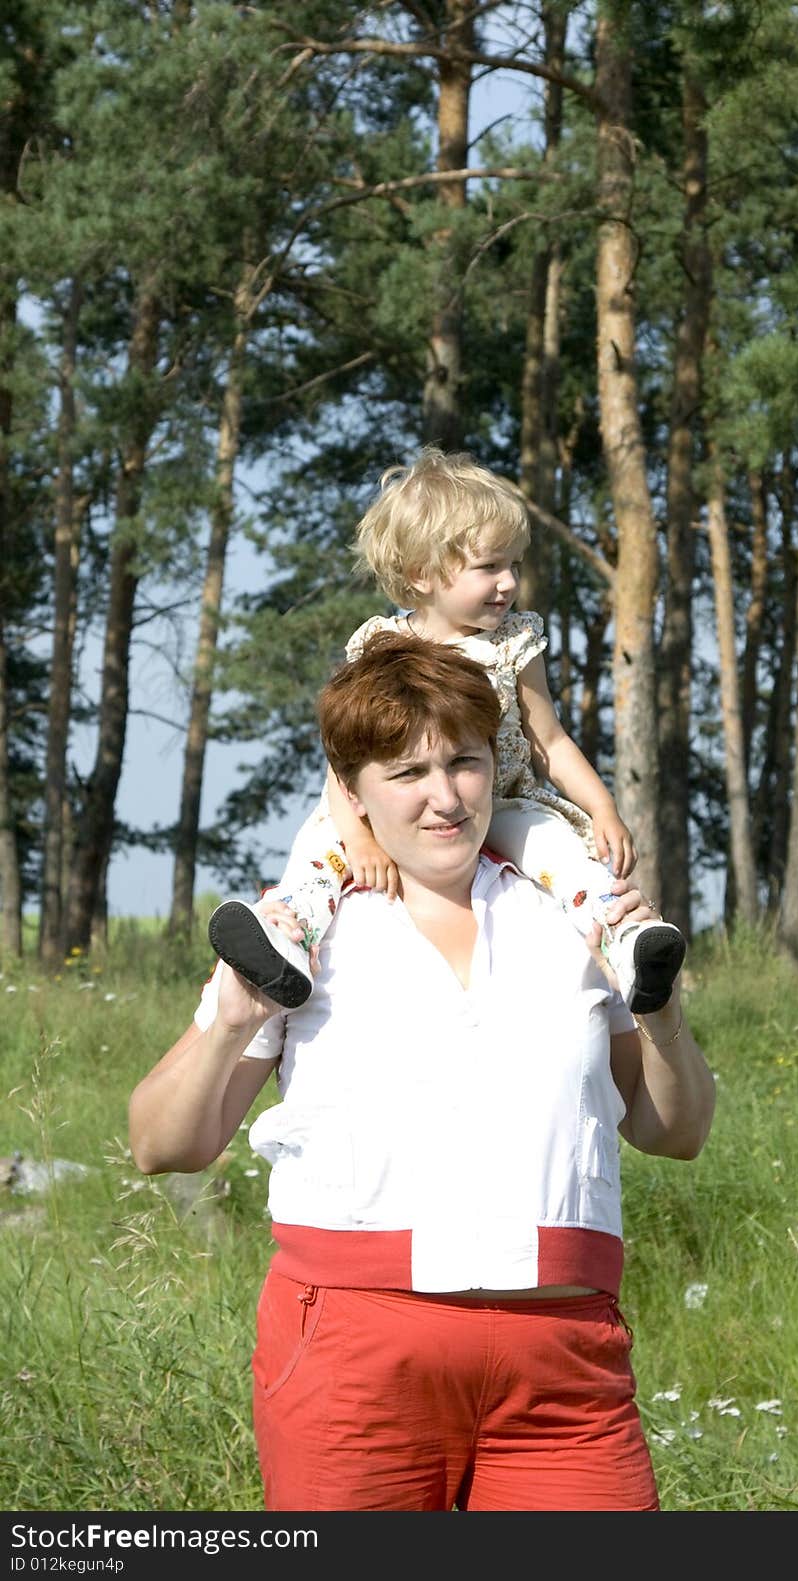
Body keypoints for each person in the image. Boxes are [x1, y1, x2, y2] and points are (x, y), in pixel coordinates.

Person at [129, 632, 716, 1513]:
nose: (445, 798)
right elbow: (160, 1142)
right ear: (352, 792)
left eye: (465, 764)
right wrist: (231, 1027)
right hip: (355, 1357)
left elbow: (677, 1130)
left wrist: (661, 1016)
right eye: (407, 773)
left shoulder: (574, 917)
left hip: (563, 1363)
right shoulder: (300, 933)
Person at [207, 447, 686, 1017]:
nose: (508, 583)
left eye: (514, 565)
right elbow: (345, 759)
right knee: (317, 853)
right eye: (488, 567)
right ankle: (286, 938)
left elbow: (549, 740)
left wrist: (602, 807)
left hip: (500, 798)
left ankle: (624, 941)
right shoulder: (380, 645)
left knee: (562, 853)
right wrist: (358, 839)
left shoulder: (512, 642)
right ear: (420, 574)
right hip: (391, 807)